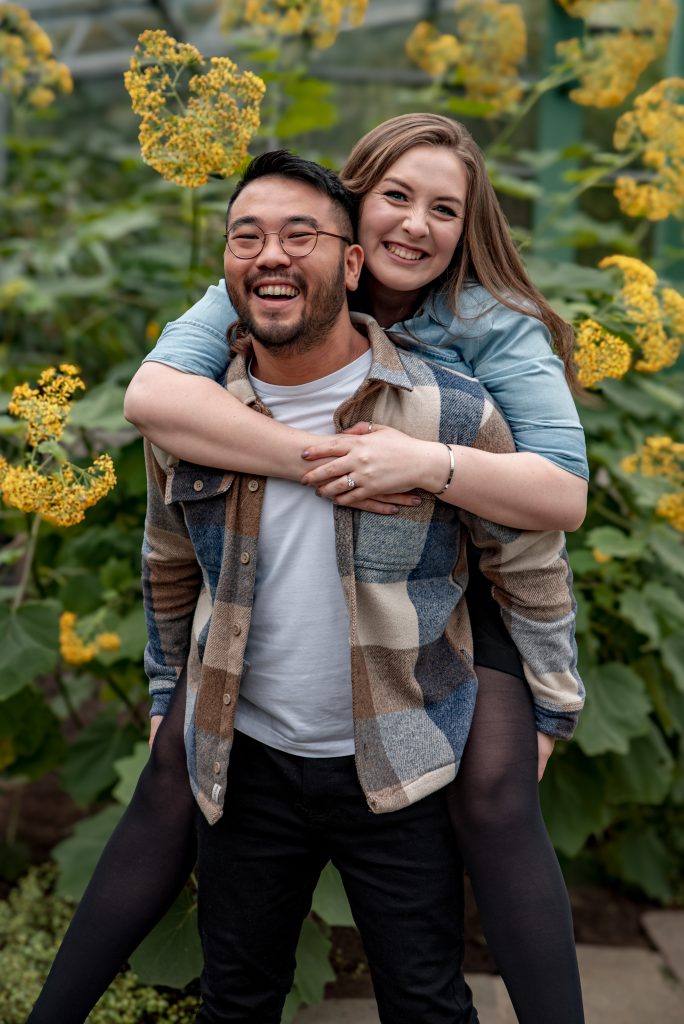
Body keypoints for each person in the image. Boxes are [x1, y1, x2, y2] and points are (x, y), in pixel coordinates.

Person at [28, 115, 586, 1024]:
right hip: (265, 703)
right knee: (180, 795)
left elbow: (555, 507)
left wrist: (419, 464)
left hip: (451, 585)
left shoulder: (484, 334)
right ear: (356, 210)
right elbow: (156, 447)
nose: (415, 224)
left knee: (495, 795)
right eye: (395, 198)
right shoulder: (254, 290)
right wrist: (317, 461)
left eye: (444, 208)